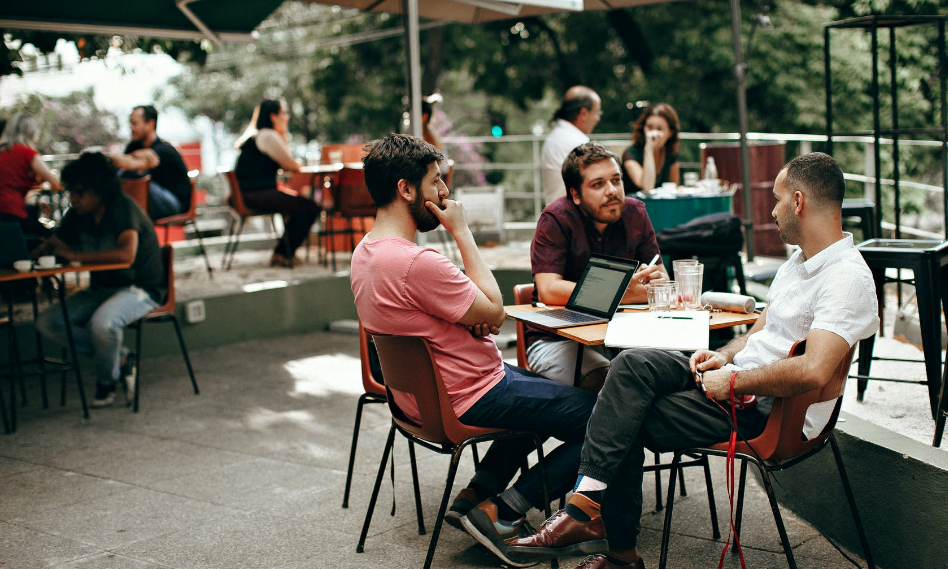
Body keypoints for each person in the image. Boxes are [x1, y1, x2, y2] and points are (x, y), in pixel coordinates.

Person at [508, 152, 880, 569]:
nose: (771, 211)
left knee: (623, 414)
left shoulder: (846, 277)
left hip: (764, 410)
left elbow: (814, 369)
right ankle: (586, 507)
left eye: (776, 201)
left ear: (798, 202)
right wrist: (721, 355)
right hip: (734, 382)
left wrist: (734, 383)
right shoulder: (798, 263)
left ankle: (610, 544)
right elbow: (763, 330)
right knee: (630, 365)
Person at [351, 133, 597, 568]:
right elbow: (495, 310)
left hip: (419, 401)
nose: (446, 193)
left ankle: (475, 494)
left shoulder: (365, 254)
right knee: (603, 417)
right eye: (435, 183)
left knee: (544, 392)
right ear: (406, 190)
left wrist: (474, 314)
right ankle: (502, 512)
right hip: (470, 394)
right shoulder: (416, 263)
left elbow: (478, 313)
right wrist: (462, 232)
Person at [529, 142, 666, 390]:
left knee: (675, 376)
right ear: (576, 195)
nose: (612, 191)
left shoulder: (636, 213)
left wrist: (651, 284)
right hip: (559, 339)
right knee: (615, 390)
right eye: (598, 184)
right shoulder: (556, 219)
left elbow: (661, 281)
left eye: (616, 180)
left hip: (624, 336)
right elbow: (549, 289)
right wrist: (622, 294)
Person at [34, 152, 165, 408]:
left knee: (103, 325)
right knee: (48, 322)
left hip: (140, 287)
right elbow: (57, 241)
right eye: (71, 192)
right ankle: (123, 359)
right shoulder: (77, 215)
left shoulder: (123, 208)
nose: (74, 199)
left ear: (100, 190)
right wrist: (44, 249)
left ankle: (107, 381)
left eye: (80, 193)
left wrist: (75, 255)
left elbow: (127, 254)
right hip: (101, 289)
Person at [234, 98, 320, 268]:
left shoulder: (256, 135)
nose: (287, 117)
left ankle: (283, 252)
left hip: (248, 193)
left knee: (298, 204)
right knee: (309, 207)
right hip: (257, 194)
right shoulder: (268, 135)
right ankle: (282, 254)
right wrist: (284, 134)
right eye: (284, 113)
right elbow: (291, 165)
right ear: (274, 117)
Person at [111, 105, 192, 220]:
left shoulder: (164, 150)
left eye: (135, 123)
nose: (131, 127)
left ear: (150, 124)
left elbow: (131, 165)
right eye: (130, 123)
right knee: (119, 180)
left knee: (139, 183)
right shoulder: (132, 147)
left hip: (175, 203)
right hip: (150, 201)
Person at [0, 114, 62, 238]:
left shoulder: (3, 150)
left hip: (4, 213)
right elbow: (55, 182)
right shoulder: (26, 152)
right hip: (11, 212)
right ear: (31, 132)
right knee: (53, 240)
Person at [540, 86, 602, 206]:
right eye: (597, 112)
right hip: (571, 216)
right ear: (584, 113)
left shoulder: (555, 136)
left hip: (556, 212)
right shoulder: (577, 143)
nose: (598, 118)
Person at [621, 103, 680, 194]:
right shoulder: (631, 153)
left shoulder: (670, 153)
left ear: (670, 133)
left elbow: (674, 187)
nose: (653, 134)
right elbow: (647, 187)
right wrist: (649, 148)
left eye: (659, 129)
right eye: (649, 127)